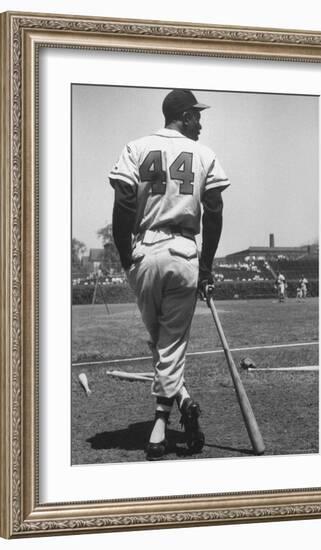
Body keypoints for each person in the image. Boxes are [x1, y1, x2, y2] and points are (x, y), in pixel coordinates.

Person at [109, 89, 230, 460]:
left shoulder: (136, 147)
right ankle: (163, 423)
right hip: (183, 253)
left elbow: (125, 202)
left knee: (160, 344)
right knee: (169, 345)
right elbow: (214, 211)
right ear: (183, 116)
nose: (200, 122)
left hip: (144, 252)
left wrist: (126, 256)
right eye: (196, 115)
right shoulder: (205, 154)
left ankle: (179, 406)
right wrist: (206, 268)